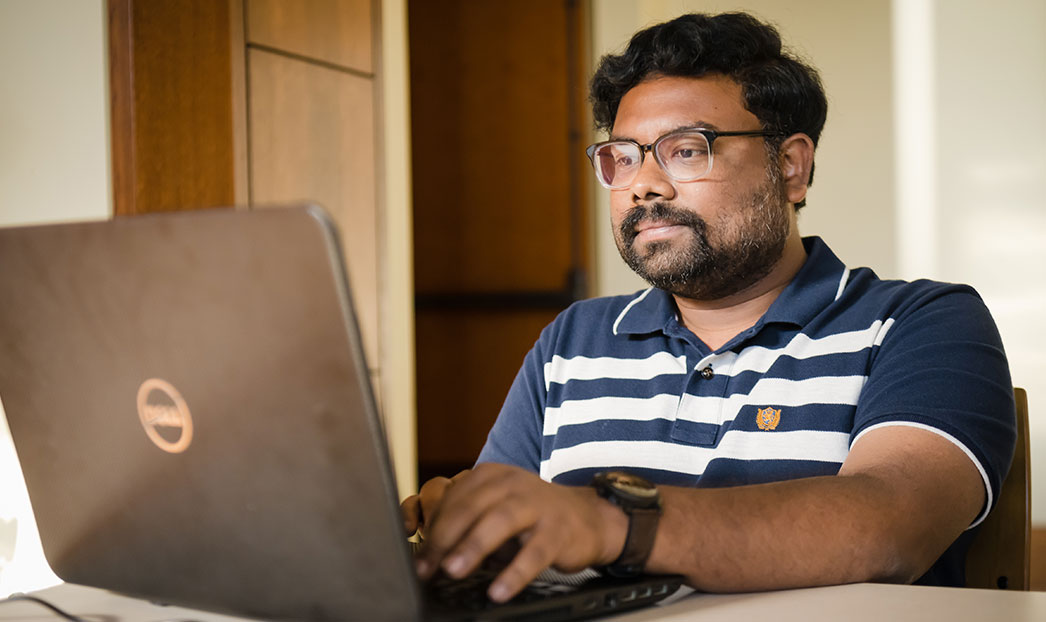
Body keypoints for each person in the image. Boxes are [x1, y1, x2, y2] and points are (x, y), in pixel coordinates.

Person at [401, 12, 1015, 602]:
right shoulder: (572, 341)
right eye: (623, 156)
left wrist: (613, 524)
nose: (644, 184)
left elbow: (890, 525)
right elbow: (508, 525)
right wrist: (459, 532)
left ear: (791, 167)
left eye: (687, 149)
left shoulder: (921, 321)